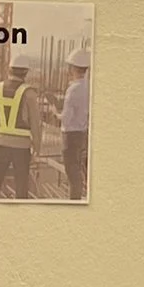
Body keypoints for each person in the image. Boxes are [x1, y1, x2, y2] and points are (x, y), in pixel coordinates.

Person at [0, 61, 34, 199]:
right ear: (25, 73)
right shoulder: (29, 92)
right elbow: (35, 123)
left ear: (9, 70)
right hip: (21, 146)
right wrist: (37, 147)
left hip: (1, 143)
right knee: (21, 182)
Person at [59, 56, 90, 202]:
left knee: (72, 172)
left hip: (70, 135)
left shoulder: (73, 90)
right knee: (78, 169)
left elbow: (66, 118)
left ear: (73, 69)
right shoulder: (88, 86)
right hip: (82, 133)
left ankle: (74, 201)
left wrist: (55, 113)